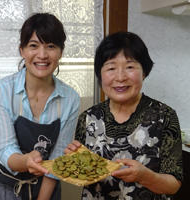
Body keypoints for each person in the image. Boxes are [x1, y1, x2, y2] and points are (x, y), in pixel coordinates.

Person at [65, 31, 183, 200]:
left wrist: (144, 176)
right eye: (111, 68)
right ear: (100, 74)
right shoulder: (88, 118)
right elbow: (83, 176)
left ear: (144, 72)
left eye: (130, 67)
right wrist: (74, 163)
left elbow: (173, 185)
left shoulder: (164, 117)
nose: (120, 77)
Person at [0, 13, 80, 200]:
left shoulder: (70, 98)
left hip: (46, 183)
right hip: (5, 182)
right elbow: (5, 149)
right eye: (33, 46)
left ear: (61, 52)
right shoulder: (0, 91)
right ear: (22, 50)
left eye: (51, 46)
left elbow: (58, 156)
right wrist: (26, 160)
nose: (42, 55)